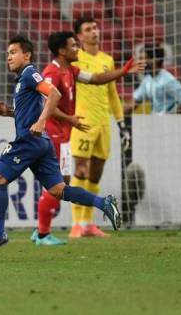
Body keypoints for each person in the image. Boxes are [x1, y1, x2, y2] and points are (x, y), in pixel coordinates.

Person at [0, 35, 121, 254]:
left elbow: (54, 93)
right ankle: (103, 203)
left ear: (27, 55)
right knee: (58, 190)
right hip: (42, 143)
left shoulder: (30, 73)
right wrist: (9, 113)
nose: (9, 57)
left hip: (29, 141)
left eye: (13, 52)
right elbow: (28, 113)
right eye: (7, 53)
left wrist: (42, 122)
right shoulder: (23, 79)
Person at [32, 32, 145, 245]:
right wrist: (70, 119)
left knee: (60, 184)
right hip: (53, 134)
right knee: (58, 185)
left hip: (64, 134)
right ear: (62, 51)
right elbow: (46, 105)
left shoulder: (71, 70)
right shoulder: (52, 73)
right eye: (74, 46)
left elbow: (96, 79)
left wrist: (123, 71)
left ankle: (47, 230)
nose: (78, 49)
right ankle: (43, 232)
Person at [69, 17, 131, 238]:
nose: (94, 32)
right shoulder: (75, 59)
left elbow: (113, 95)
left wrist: (122, 124)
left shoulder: (107, 59)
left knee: (95, 174)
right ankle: (76, 223)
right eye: (88, 29)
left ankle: (88, 224)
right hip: (83, 122)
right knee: (81, 170)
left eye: (95, 28)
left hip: (104, 124)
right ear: (79, 36)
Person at [124, 44, 181, 114]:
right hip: (155, 121)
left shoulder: (167, 80)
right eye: (140, 59)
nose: (140, 62)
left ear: (156, 60)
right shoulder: (148, 79)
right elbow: (133, 103)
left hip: (166, 123)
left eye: (143, 58)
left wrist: (170, 117)